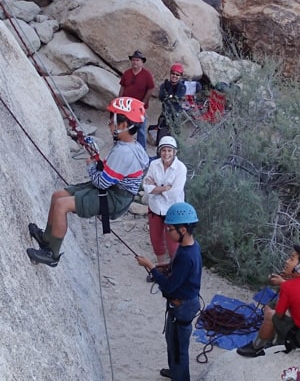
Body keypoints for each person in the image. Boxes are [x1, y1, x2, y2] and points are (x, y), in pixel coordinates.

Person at [27, 97, 149, 267]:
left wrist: (91, 166)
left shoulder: (125, 152)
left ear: (123, 125)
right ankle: (47, 238)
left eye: (112, 118)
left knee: (62, 205)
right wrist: (94, 151)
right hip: (114, 189)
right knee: (58, 196)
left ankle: (52, 254)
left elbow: (101, 183)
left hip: (116, 197)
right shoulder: (132, 146)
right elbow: (114, 172)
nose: (108, 122)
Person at [136, 202, 202, 381]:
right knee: (172, 342)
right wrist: (163, 266)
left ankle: (180, 377)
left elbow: (168, 286)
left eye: (170, 229)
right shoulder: (190, 247)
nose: (167, 232)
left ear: (182, 230)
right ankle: (175, 372)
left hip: (183, 306)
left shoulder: (187, 255)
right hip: (182, 304)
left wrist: (151, 267)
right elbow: (180, 270)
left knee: (179, 348)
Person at [237, 244, 300, 357]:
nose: (286, 261)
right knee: (270, 306)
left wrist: (284, 284)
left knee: (272, 315)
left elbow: (279, 315)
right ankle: (273, 337)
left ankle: (256, 347)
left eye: (291, 259)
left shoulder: (289, 287)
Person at [143, 136, 187, 281]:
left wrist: (155, 188)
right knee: (156, 239)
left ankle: (175, 272)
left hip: (172, 210)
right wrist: (163, 188)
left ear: (174, 152)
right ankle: (162, 269)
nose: (166, 154)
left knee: (173, 242)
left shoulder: (180, 168)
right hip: (155, 208)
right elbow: (146, 185)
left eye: (169, 150)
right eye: (163, 150)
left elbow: (175, 192)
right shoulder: (154, 165)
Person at [119, 50, 155, 149]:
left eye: (137, 60)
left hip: (139, 106)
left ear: (142, 62)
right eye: (134, 60)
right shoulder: (127, 73)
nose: (135, 62)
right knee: (124, 126)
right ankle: (124, 147)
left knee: (141, 129)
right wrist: (119, 100)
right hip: (126, 105)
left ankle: (141, 150)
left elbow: (150, 88)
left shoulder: (147, 75)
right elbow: (122, 87)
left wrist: (143, 102)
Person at [157, 63, 186, 142]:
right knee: (161, 139)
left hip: (175, 117)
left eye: (177, 75)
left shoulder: (182, 87)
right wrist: (170, 95)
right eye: (173, 73)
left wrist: (169, 95)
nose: (175, 76)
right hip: (165, 115)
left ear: (180, 76)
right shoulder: (165, 85)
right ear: (170, 74)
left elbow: (177, 98)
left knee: (174, 141)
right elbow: (161, 97)